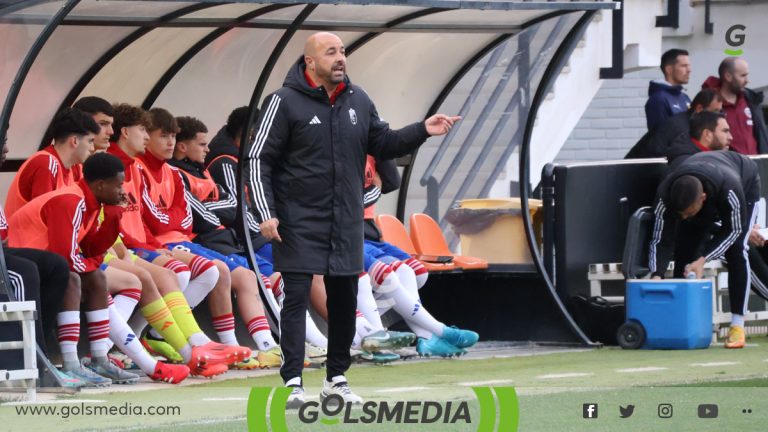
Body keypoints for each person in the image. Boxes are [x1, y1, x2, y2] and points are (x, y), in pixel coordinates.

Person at [246, 31, 462, 407]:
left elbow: (384, 144)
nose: (341, 58)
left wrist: (422, 130)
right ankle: (293, 383)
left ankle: (337, 379)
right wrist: (267, 213)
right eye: (331, 52)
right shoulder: (282, 102)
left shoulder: (358, 99)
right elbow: (257, 159)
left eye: (343, 51)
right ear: (310, 61)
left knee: (345, 301)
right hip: (297, 222)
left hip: (345, 222)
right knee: (295, 297)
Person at [7, 153, 189, 385]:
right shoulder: (71, 201)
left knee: (97, 277)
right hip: (18, 263)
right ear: (101, 185)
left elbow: (92, 248)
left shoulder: (91, 201)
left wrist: (112, 219)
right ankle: (71, 363)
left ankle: (100, 359)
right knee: (74, 277)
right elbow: (66, 259)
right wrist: (94, 261)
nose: (123, 191)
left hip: (45, 264)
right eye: (119, 184)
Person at [167, 115, 284, 369]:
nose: (207, 150)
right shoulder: (179, 172)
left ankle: (272, 344)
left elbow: (233, 203)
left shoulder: (202, 170)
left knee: (267, 278)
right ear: (183, 147)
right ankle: (241, 345)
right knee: (233, 274)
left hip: (223, 238)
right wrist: (220, 209)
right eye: (201, 144)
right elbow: (202, 214)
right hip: (202, 239)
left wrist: (217, 207)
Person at [648, 151, 760, 349]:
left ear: (703, 197)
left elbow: (733, 231)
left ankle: (737, 325)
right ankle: (682, 322)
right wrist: (656, 274)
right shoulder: (665, 196)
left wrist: (703, 259)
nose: (684, 217)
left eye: (689, 212)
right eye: (680, 213)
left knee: (737, 250)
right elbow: (660, 239)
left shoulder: (730, 189)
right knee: (684, 247)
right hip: (704, 181)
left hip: (744, 180)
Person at [5, 107, 98, 216]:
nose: (92, 148)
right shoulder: (46, 163)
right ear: (75, 141)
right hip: (20, 233)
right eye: (90, 141)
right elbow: (46, 217)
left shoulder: (74, 166)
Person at [626, 89, 722, 159]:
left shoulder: (687, 123)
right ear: (699, 108)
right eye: (715, 111)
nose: (718, 116)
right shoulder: (681, 128)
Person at [702, 57, 768, 155]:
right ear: (728, 76)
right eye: (743, 76)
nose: (747, 81)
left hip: (756, 165)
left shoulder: (751, 100)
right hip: (727, 165)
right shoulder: (710, 105)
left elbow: (761, 136)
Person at [645, 49, 691, 132]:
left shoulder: (685, 97)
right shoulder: (658, 99)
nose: (689, 70)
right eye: (684, 66)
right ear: (669, 69)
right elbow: (660, 137)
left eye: (689, 65)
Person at [665, 111, 732, 169]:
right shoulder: (687, 165)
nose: (730, 137)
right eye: (725, 131)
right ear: (707, 134)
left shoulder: (715, 157)